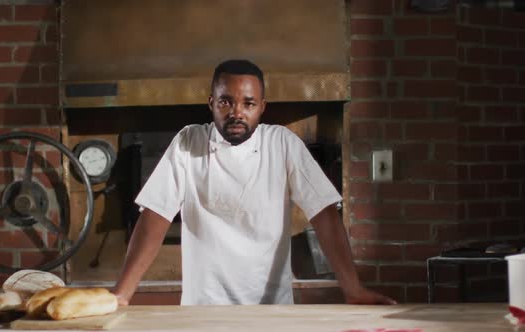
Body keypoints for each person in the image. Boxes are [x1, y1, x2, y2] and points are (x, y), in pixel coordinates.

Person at [113, 59, 396, 306]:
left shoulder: (283, 144)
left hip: (272, 310)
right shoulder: (189, 142)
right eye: (226, 101)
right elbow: (156, 215)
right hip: (204, 311)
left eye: (248, 103)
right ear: (212, 103)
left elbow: (324, 214)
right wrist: (123, 294)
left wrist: (352, 289)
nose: (237, 112)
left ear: (262, 107)